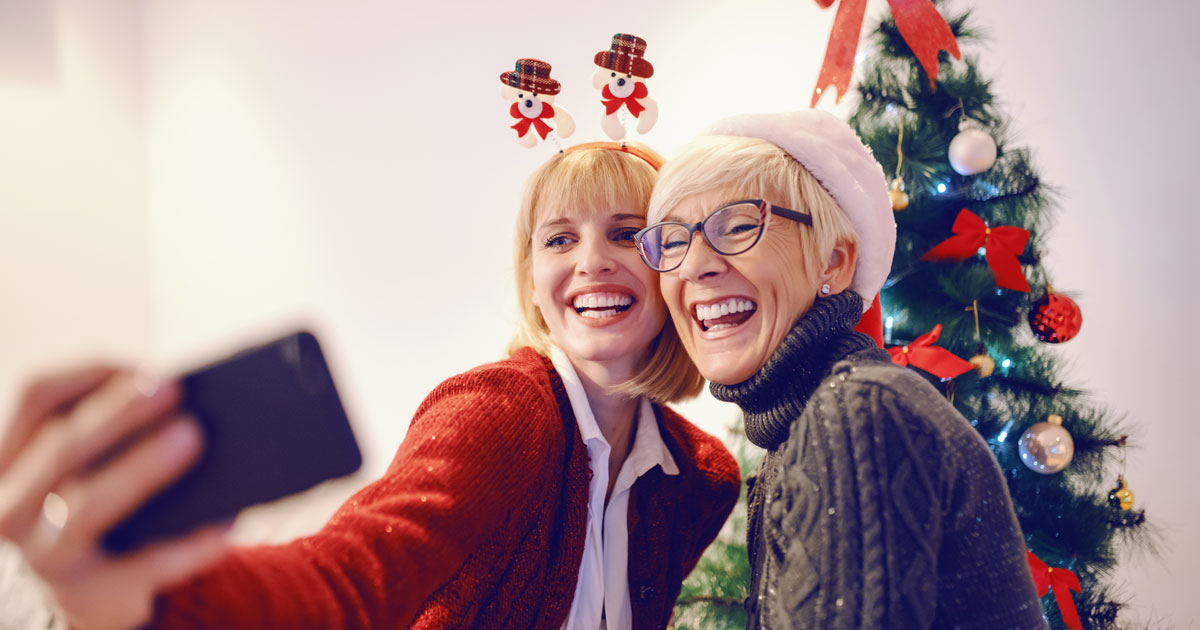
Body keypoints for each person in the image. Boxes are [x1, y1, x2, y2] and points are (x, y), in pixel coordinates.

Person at [0, 142, 740, 630]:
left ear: (671, 265)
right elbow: (350, 577)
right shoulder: (505, 412)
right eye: (559, 238)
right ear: (533, 285)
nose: (591, 262)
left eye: (625, 233)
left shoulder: (701, 474)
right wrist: (150, 603)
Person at [634, 111, 1045, 629]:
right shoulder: (803, 434)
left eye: (737, 226)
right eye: (671, 242)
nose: (694, 265)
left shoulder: (856, 414)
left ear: (834, 262)